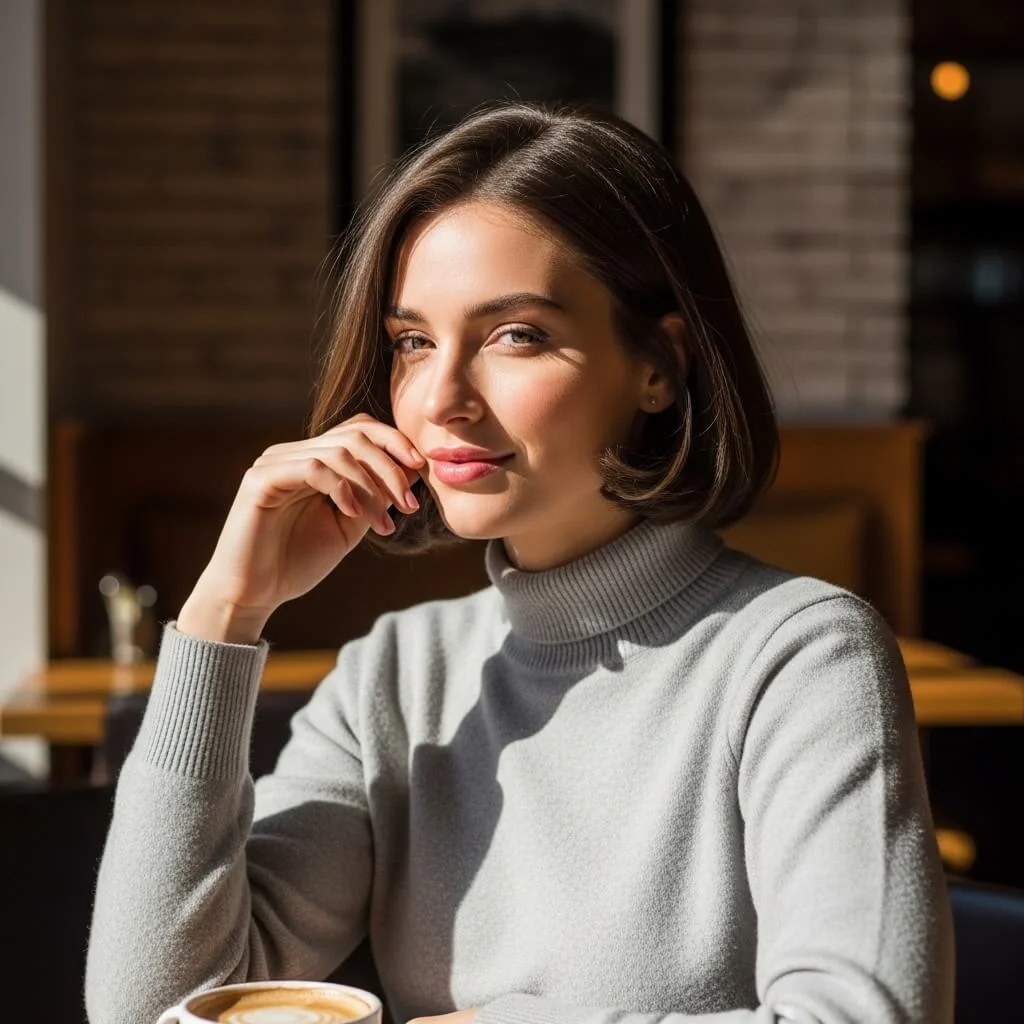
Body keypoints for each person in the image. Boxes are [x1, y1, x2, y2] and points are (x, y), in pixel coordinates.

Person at [85, 102, 953, 1024]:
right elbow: (158, 1009)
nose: (443, 397)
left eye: (517, 335)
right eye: (414, 342)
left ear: (659, 365)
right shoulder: (395, 676)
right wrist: (227, 611)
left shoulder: (803, 658)